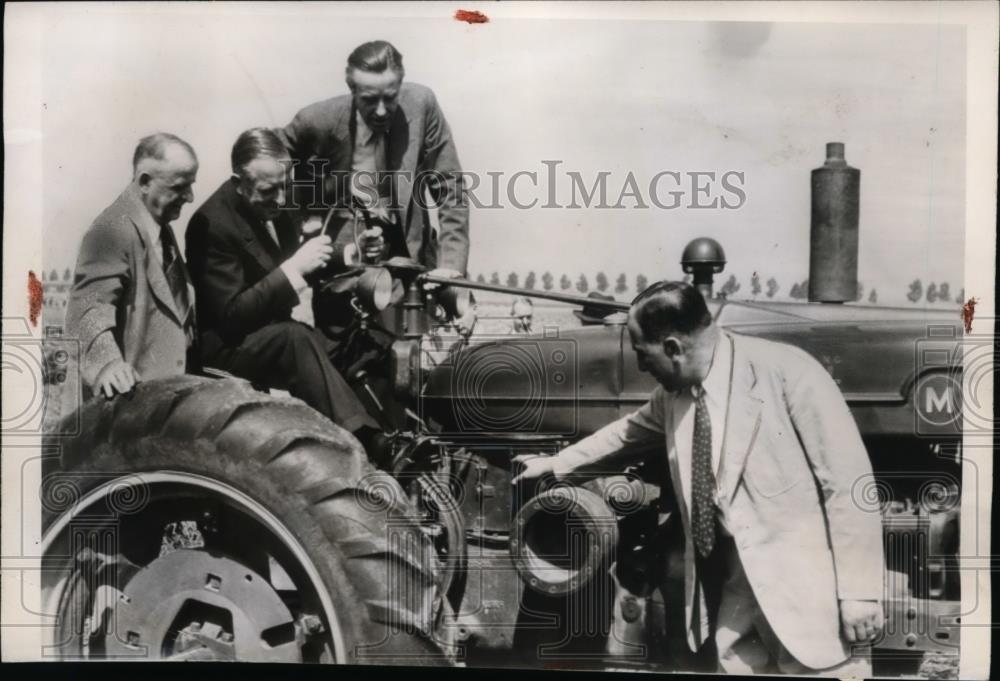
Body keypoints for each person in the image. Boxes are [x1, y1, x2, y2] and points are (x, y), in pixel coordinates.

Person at [514, 281, 884, 675]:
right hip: (735, 589)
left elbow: (849, 484)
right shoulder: (674, 397)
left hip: (807, 591)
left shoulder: (789, 373)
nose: (641, 367)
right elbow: (626, 434)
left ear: (673, 348)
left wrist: (859, 594)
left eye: (643, 354)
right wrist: (556, 465)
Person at [185, 127, 382, 445]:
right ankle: (367, 440)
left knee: (359, 339)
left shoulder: (276, 201)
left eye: (286, 187)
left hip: (272, 330)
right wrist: (293, 269)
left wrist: (355, 252)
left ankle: (396, 428)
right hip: (226, 346)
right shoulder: (210, 225)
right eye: (269, 191)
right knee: (295, 338)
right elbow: (231, 316)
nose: (281, 200)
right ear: (239, 184)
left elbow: (305, 256)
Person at [278, 39, 474, 335]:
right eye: (369, 100)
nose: (381, 111)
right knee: (346, 354)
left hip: (408, 256)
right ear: (352, 90)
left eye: (390, 98)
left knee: (410, 354)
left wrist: (450, 267)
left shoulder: (422, 105)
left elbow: (451, 189)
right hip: (344, 264)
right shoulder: (314, 121)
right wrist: (302, 217)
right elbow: (267, 159)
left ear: (401, 86)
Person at [65, 133, 199, 399]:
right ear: (145, 182)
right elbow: (87, 308)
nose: (190, 197)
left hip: (158, 401)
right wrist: (108, 365)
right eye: (180, 187)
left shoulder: (159, 228)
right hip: (123, 408)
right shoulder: (111, 230)